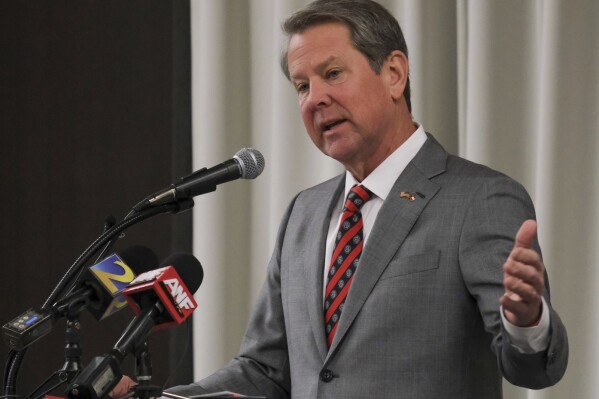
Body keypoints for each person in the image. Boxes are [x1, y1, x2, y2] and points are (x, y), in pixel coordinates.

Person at [112, 0, 568, 398]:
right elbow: (265, 372)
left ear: (393, 73)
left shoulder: (479, 198)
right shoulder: (303, 215)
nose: (315, 99)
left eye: (332, 74)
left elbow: (531, 368)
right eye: (302, 86)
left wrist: (526, 321)